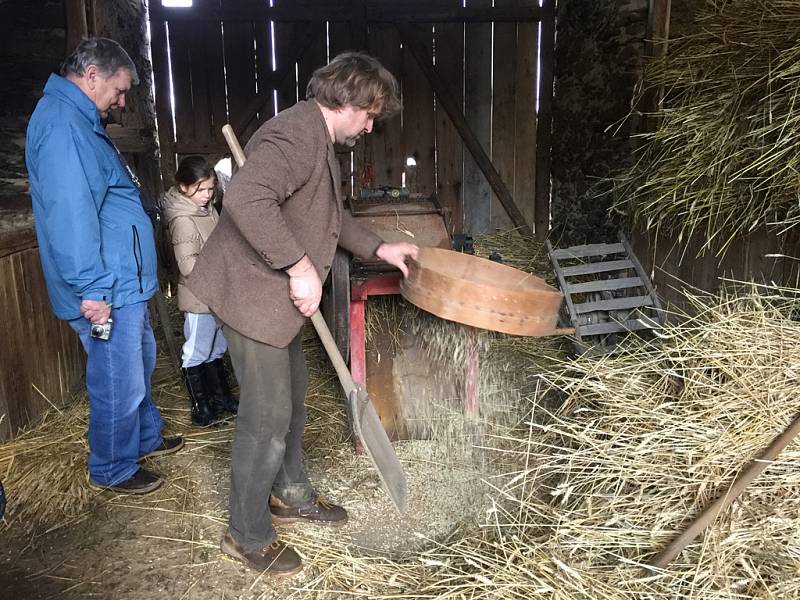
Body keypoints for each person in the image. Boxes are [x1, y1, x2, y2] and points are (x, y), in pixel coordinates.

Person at [188, 51, 418, 577]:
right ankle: (246, 534)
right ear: (348, 99)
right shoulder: (294, 134)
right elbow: (246, 200)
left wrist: (379, 249)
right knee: (266, 417)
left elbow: (329, 219)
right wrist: (298, 266)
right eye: (370, 112)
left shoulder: (320, 139)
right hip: (252, 295)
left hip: (278, 298)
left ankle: (289, 495)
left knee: (291, 399)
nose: (371, 123)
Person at [25, 37, 183, 495]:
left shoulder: (79, 120)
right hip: (104, 287)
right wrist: (92, 289)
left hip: (121, 281)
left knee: (140, 361)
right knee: (118, 378)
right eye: (118, 90)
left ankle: (145, 438)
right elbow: (71, 214)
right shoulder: (61, 125)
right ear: (91, 75)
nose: (121, 101)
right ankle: (112, 466)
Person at [162, 156, 237, 426]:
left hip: (215, 294)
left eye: (211, 189)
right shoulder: (183, 220)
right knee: (196, 350)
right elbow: (188, 265)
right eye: (201, 189)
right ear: (183, 187)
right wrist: (221, 268)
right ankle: (200, 405)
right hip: (198, 297)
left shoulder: (208, 211)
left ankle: (221, 399)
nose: (207, 195)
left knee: (217, 348)